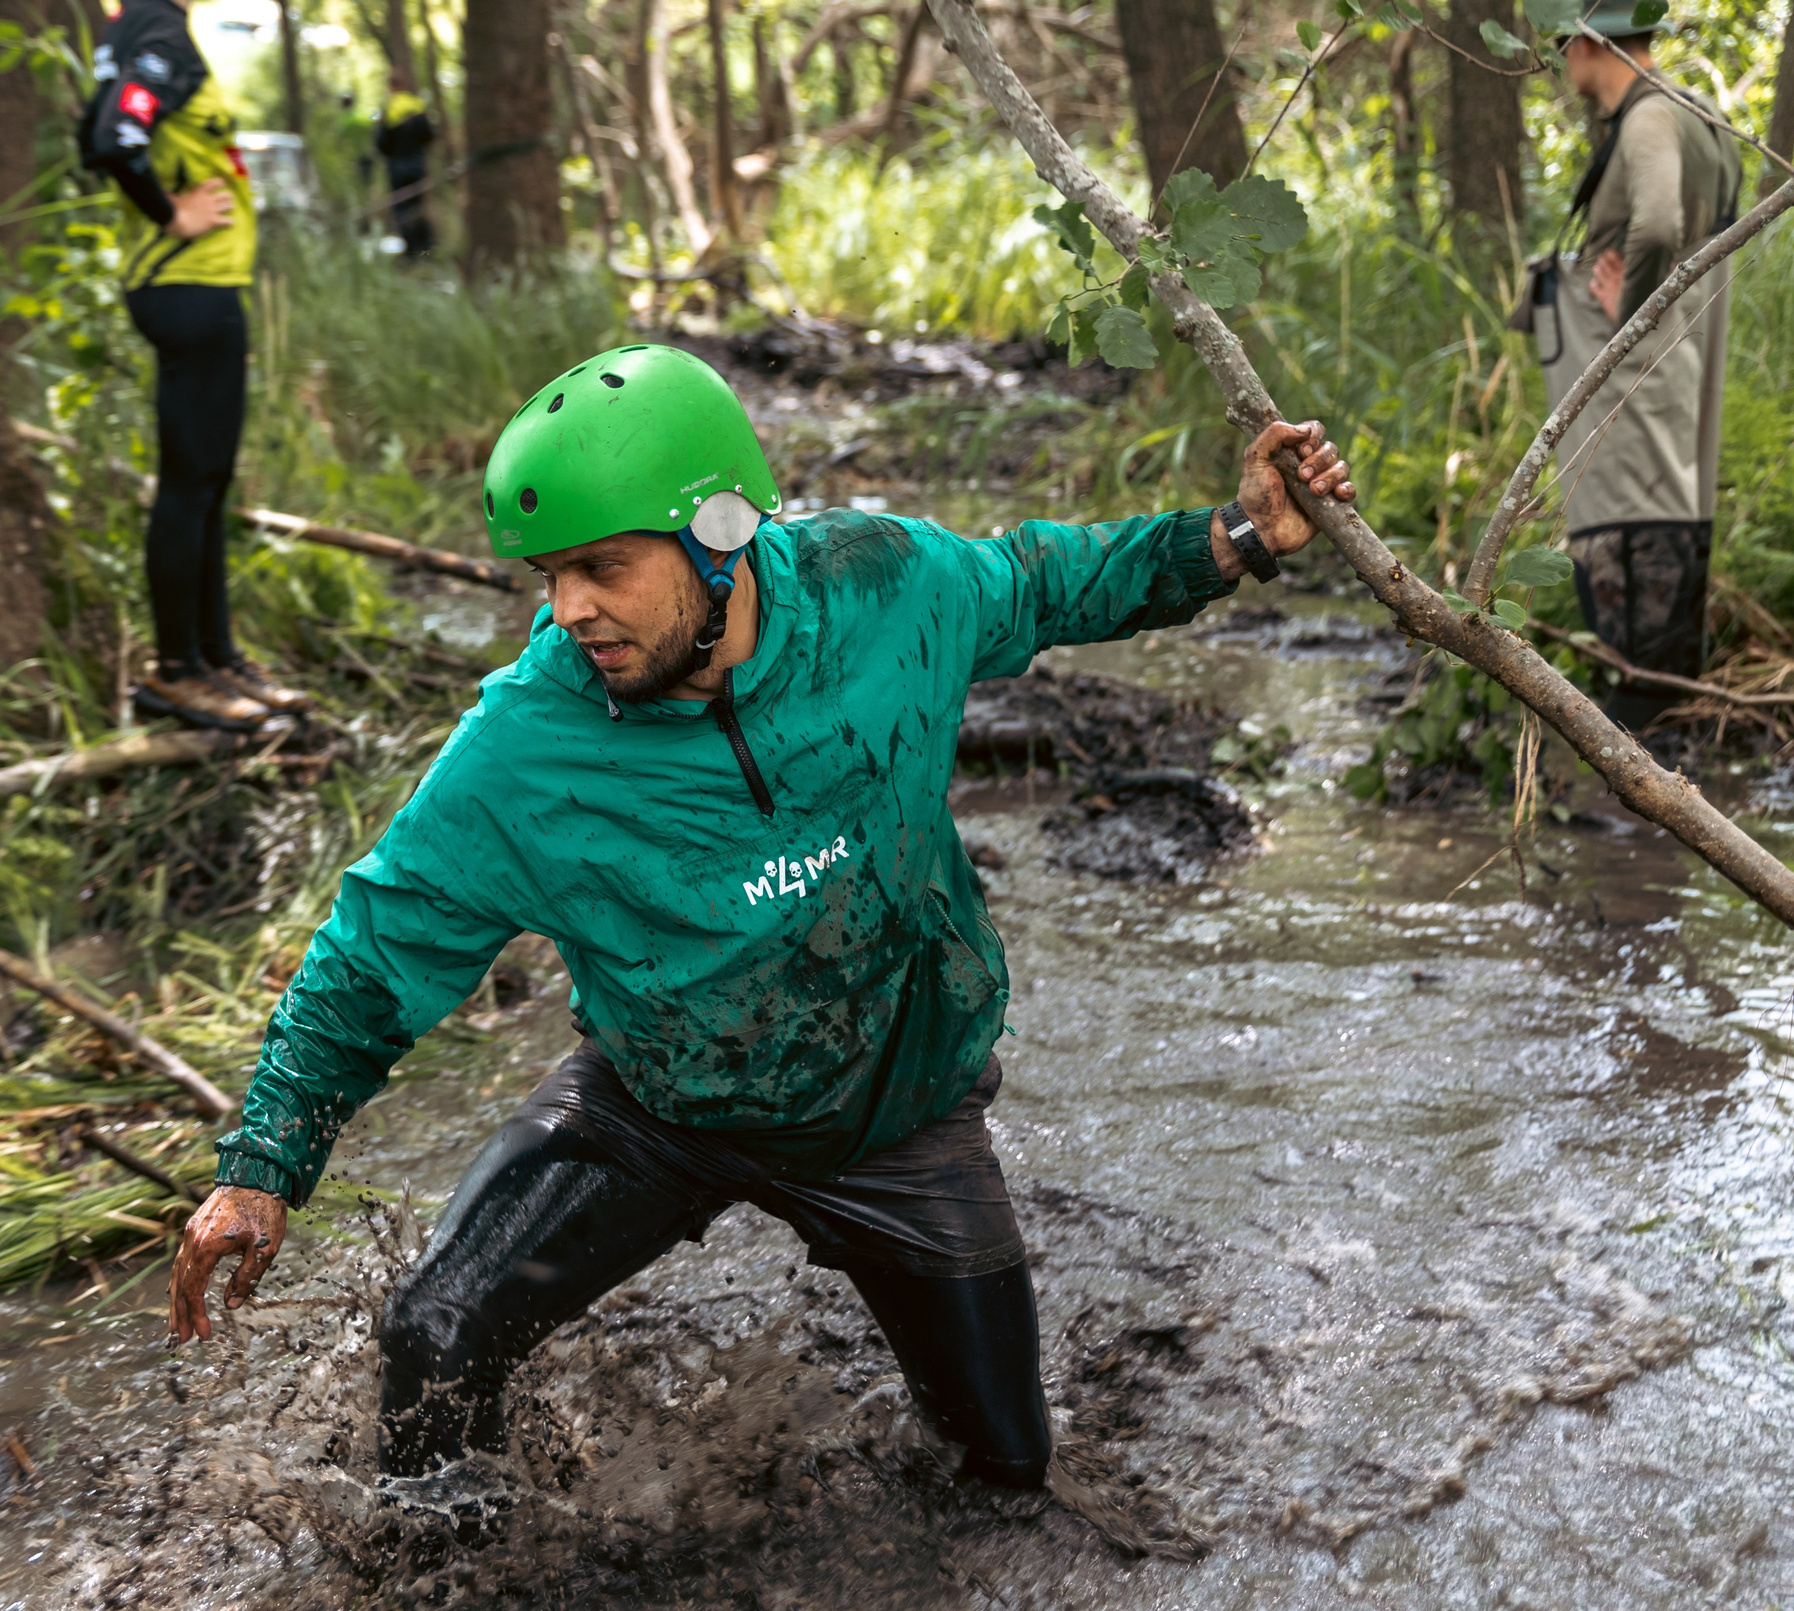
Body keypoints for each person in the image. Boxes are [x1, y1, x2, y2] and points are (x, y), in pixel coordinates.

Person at [165, 343, 1354, 1514]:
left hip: (895, 1114)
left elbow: (1046, 581)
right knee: (433, 1331)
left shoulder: (885, 588)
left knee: (1006, 1469)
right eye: (547, 576)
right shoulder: (525, 747)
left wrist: (1236, 539)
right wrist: (261, 1171)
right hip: (659, 1104)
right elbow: (374, 958)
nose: (568, 609)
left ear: (718, 533)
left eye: (601, 568)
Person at [79, 0, 308, 732]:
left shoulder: (133, 30)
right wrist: (170, 212)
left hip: (192, 289)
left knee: (204, 484)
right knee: (189, 486)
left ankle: (216, 657)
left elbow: (92, 133)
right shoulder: (158, 27)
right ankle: (178, 672)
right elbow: (116, 138)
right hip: (190, 284)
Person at [1526, 4, 1741, 731]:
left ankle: (1639, 706)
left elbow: (1654, 225)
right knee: (1671, 492)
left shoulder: (1650, 117)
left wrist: (1632, 304)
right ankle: (1662, 700)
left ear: (1590, 43)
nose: (1561, 60)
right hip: (1685, 354)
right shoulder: (1702, 113)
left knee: (1627, 505)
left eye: (1564, 44)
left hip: (1641, 363)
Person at [372, 70, 438, 261]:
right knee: (419, 207)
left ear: (390, 87)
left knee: (402, 209)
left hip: (397, 166)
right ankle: (426, 252)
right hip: (418, 164)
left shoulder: (388, 108)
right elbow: (429, 135)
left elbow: (380, 143)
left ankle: (411, 255)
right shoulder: (416, 105)